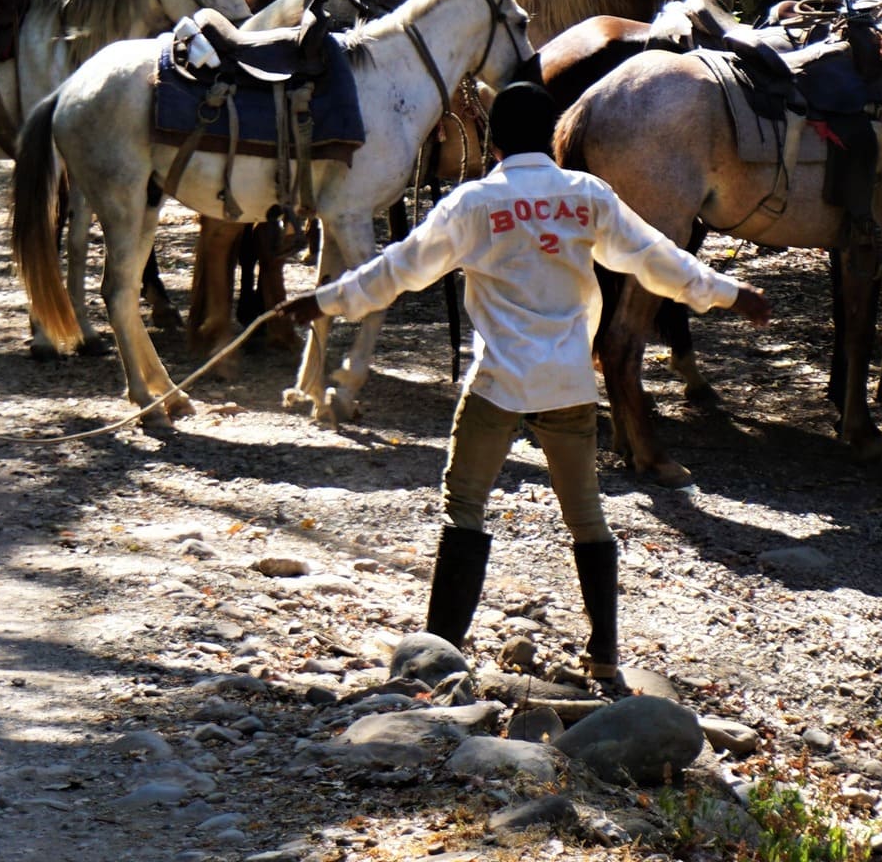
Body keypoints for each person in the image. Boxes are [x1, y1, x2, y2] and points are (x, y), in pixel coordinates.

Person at [283, 83, 769, 684]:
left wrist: (326, 301)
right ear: (549, 140)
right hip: (568, 381)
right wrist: (728, 293)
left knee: (464, 508)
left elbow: (399, 269)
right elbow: (656, 257)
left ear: (493, 144)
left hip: (497, 384)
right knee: (587, 517)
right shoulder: (585, 194)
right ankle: (604, 655)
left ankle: (440, 651)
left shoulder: (474, 202)